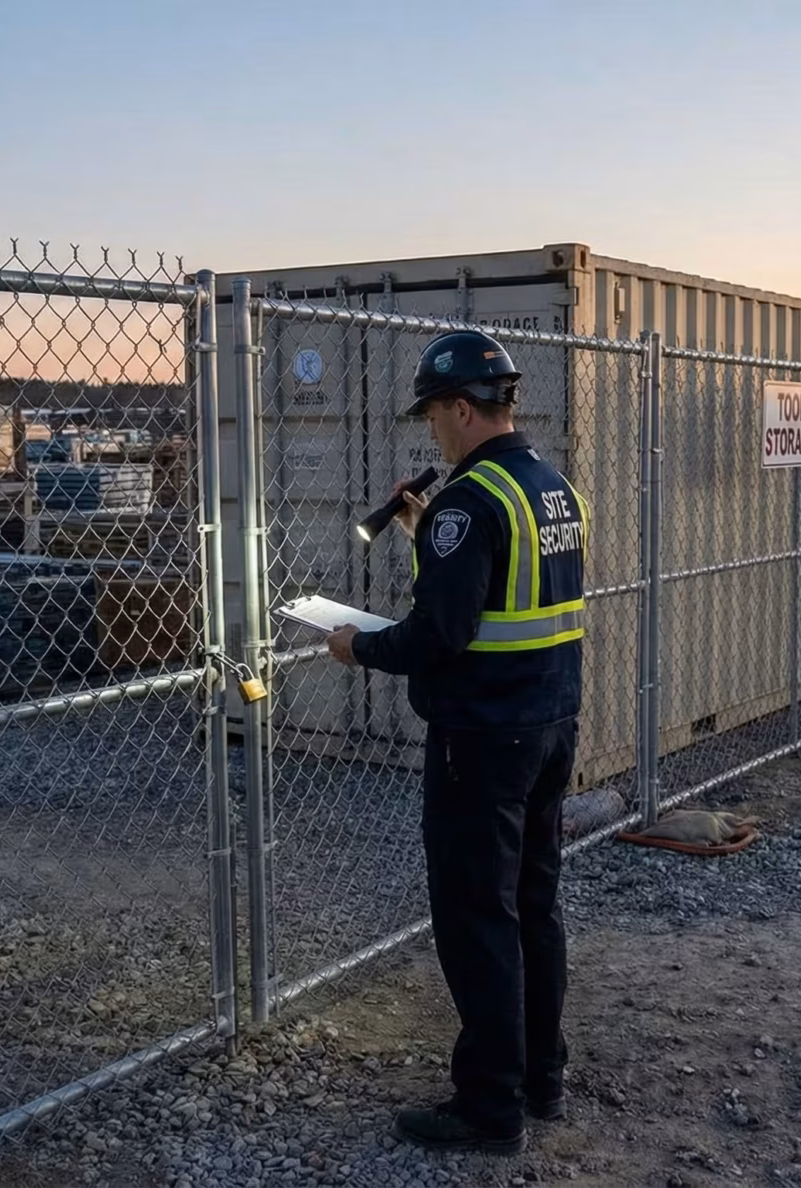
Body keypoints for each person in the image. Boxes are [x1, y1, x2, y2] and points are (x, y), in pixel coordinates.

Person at [324, 329, 588, 1156]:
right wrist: (422, 532)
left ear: (464, 409)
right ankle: (541, 1079)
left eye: (435, 414)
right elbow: (504, 591)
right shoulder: (550, 489)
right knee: (533, 906)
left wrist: (355, 645)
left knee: (478, 920)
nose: (431, 431)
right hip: (549, 724)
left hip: (480, 738)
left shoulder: (469, 505)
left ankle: (488, 1108)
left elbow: (439, 636)